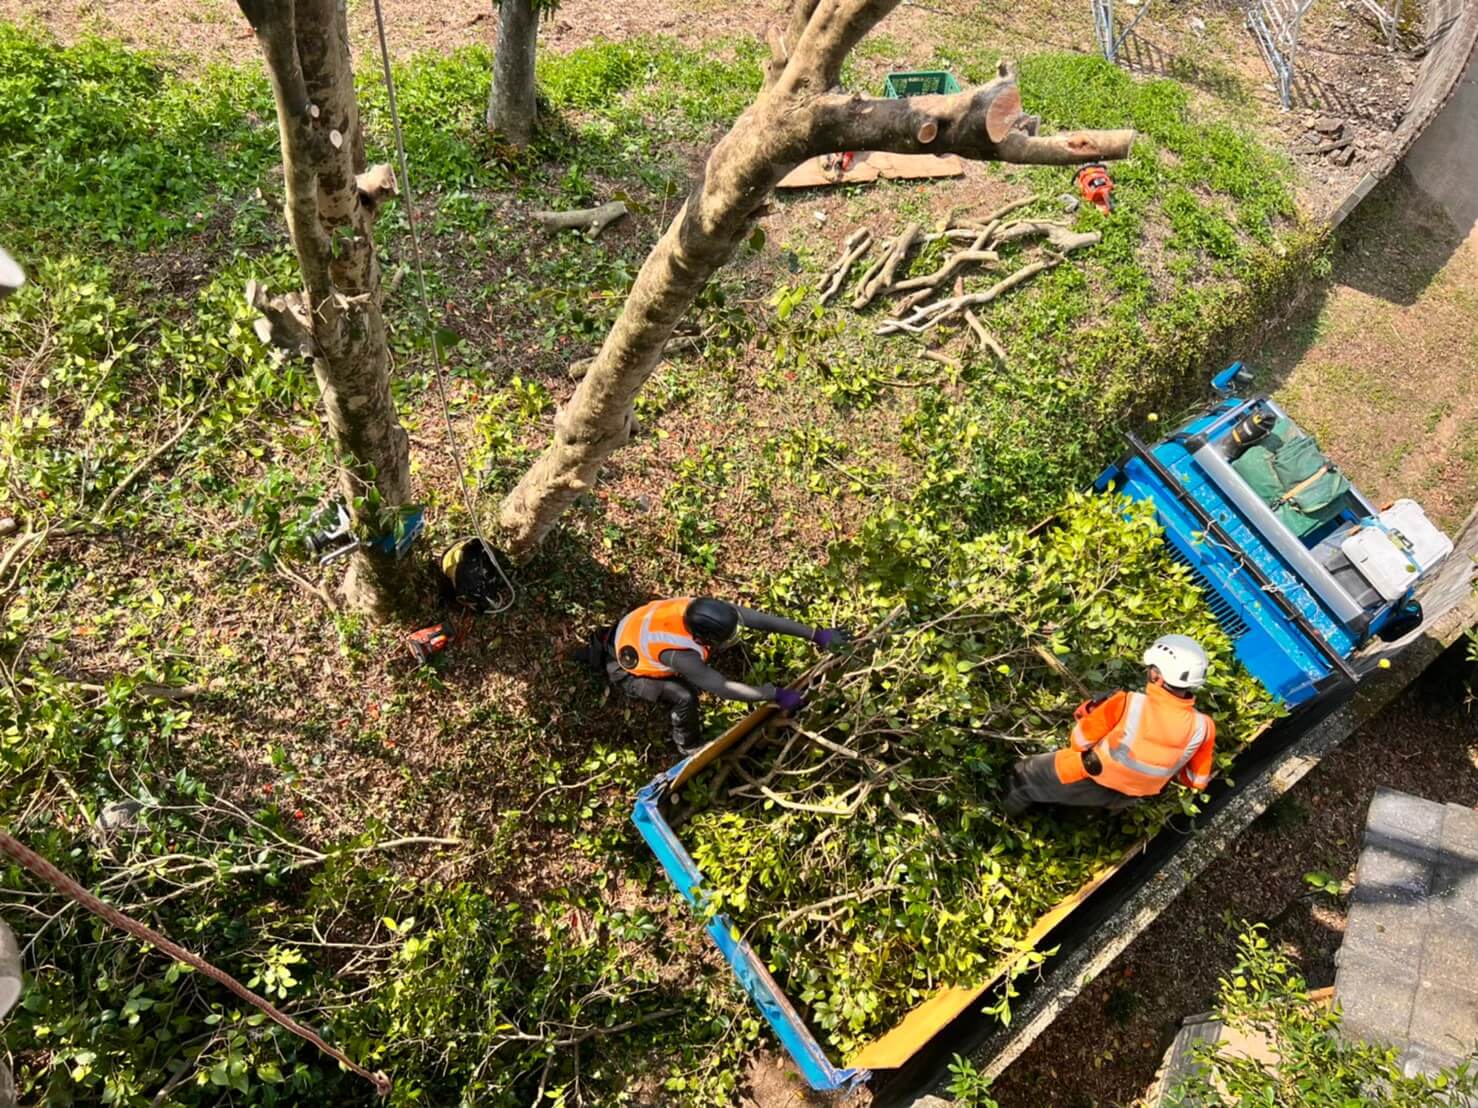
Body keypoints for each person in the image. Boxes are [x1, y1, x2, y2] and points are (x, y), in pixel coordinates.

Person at [574, 597, 848, 752]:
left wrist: (816, 634)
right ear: (700, 635)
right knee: (685, 696)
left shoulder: (706, 610)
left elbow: (761, 620)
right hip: (625, 669)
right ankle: (688, 745)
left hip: (629, 629)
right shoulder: (679, 654)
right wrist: (772, 694)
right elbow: (723, 687)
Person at [1003, 635, 1216, 817]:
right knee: (1079, 803)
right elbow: (1195, 780)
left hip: (1087, 776)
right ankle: (1064, 813)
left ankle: (1003, 816)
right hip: (1125, 798)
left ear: (1156, 676)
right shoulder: (1204, 726)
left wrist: (1090, 712)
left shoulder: (1127, 702)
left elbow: (1079, 741)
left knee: (1022, 774)